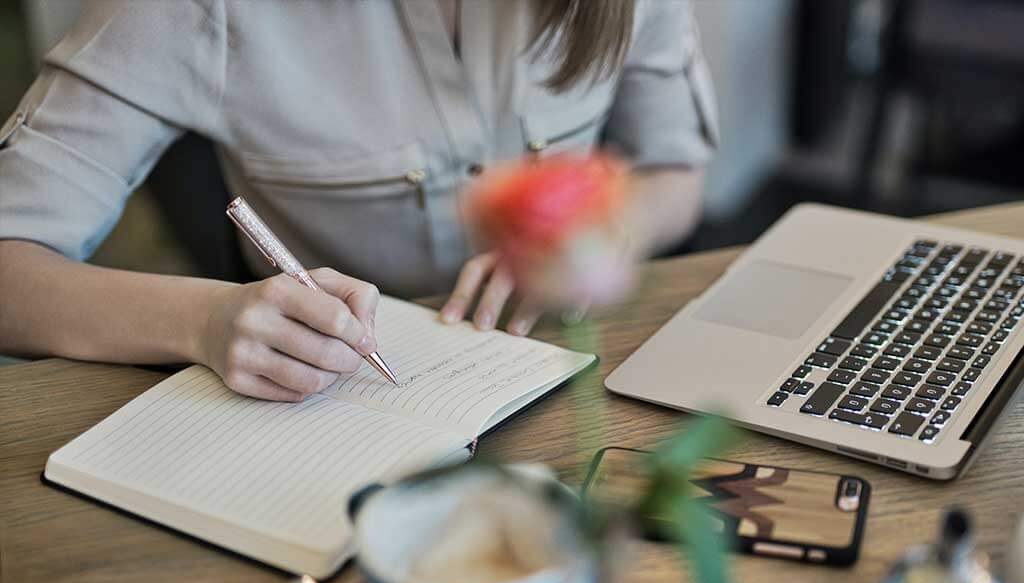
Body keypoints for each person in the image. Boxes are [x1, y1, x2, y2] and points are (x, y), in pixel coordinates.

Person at [0, 0, 717, 402]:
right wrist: (205, 318)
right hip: (336, 403)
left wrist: (614, 233)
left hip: (581, 379)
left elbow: (676, 171)